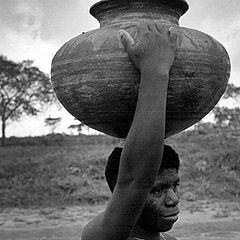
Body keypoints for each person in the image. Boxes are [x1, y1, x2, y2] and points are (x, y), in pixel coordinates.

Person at [82, 20, 180, 240]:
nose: (173, 199)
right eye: (157, 190)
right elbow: (136, 179)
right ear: (119, 194)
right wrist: (155, 70)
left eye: (175, 185)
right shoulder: (100, 235)